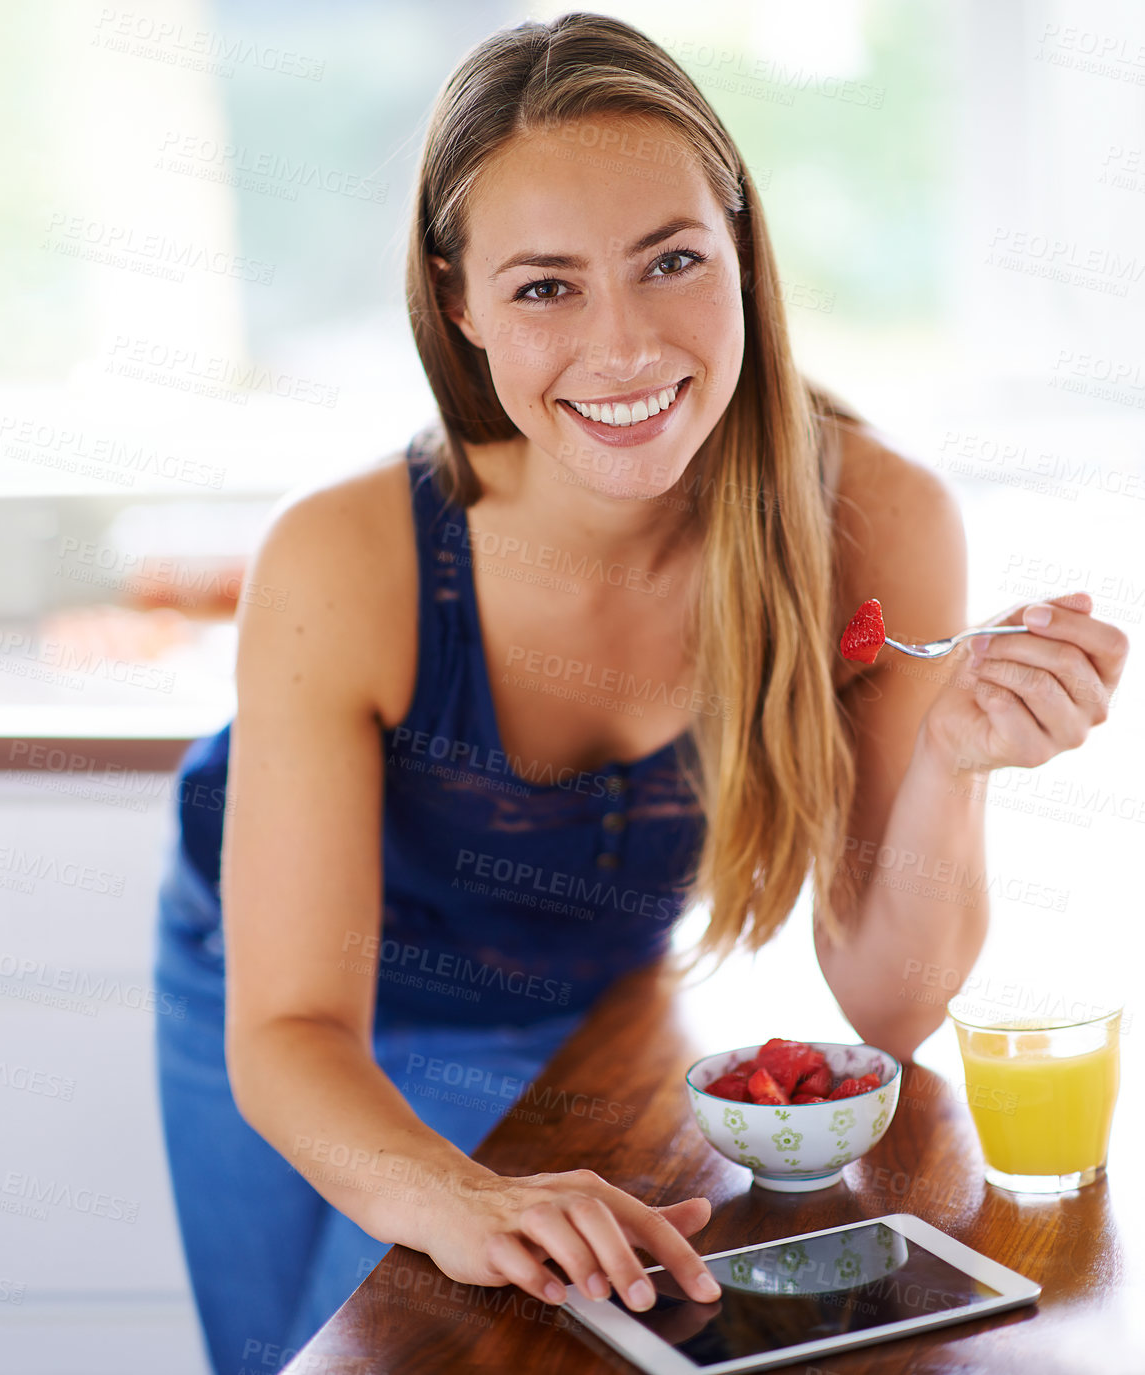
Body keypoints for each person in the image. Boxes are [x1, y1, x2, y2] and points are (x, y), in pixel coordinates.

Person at [151, 13, 1129, 1374]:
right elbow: (290, 1028)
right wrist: (457, 1198)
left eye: (672, 262)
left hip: (586, 1003)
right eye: (546, 287)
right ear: (457, 303)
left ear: (741, 253)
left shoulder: (876, 519)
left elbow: (892, 1006)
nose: (625, 348)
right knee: (321, 1354)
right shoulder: (349, 557)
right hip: (293, 1016)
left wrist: (953, 767)